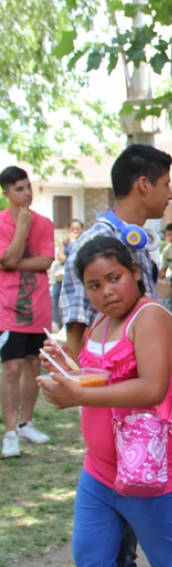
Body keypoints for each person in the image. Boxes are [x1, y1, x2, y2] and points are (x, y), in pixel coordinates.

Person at [39, 236, 172, 567]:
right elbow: (101, 378)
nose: (106, 291)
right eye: (94, 285)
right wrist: (66, 366)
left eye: (114, 278)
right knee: (91, 560)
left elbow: (152, 387)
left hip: (150, 473)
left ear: (134, 272)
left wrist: (77, 397)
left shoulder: (150, 318)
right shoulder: (99, 323)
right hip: (100, 472)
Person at [59, 144, 172, 567]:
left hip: (144, 402)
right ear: (144, 183)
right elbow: (77, 330)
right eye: (167, 183)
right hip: (111, 402)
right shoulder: (95, 242)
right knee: (104, 508)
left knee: (135, 490)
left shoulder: (139, 240)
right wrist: (86, 392)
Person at [1, 166, 54, 458]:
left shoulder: (44, 223)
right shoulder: (2, 223)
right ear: (7, 193)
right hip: (8, 309)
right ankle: (10, 433)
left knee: (34, 365)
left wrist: (11, 263)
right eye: (19, 189)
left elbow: (46, 260)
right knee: (11, 368)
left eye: (28, 187)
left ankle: (25, 423)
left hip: (39, 308)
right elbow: (7, 256)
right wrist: (21, 227)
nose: (26, 193)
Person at [52, 219, 85, 331]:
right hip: (63, 277)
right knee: (55, 296)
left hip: (78, 278)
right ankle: (55, 322)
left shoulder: (85, 242)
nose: (75, 231)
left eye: (78, 229)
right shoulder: (64, 243)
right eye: (73, 229)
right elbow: (60, 256)